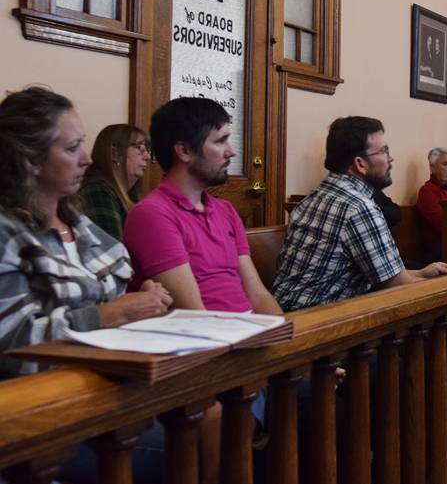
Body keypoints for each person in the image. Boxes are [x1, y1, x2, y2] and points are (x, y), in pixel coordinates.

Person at [0, 86, 175, 482]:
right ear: (30, 160)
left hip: (111, 389)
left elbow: (116, 289)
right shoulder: (7, 231)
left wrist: (143, 298)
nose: (86, 159)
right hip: (45, 409)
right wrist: (110, 314)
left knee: (210, 414)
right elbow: (13, 343)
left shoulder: (78, 221)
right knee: (194, 434)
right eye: (72, 148)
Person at [272, 116, 447, 311]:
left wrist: (423, 274)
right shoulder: (359, 207)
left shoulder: (311, 199)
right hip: (315, 324)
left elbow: (388, 275)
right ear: (360, 164)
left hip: (282, 315)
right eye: (384, 151)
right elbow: (397, 286)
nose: (390, 159)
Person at [123, 97, 282, 315]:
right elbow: (193, 313)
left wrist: (286, 337)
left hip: (247, 330)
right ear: (185, 151)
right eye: (220, 141)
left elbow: (258, 294)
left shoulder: (225, 210)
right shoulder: (152, 215)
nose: (231, 151)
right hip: (211, 338)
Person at [79, 124, 150, 240]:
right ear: (115, 154)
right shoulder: (97, 190)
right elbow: (113, 252)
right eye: (139, 148)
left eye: (147, 149)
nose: (147, 156)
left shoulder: (131, 196)